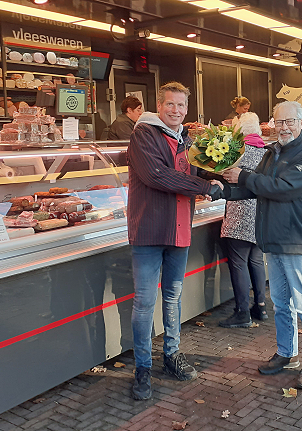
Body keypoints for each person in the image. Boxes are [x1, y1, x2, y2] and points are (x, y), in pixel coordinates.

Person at [127, 82, 223, 400]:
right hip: (149, 231)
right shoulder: (144, 134)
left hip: (181, 230)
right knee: (144, 304)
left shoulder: (187, 139)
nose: (176, 111)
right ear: (159, 105)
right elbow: (157, 175)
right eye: (171, 104)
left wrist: (221, 170)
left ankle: (171, 354)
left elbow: (200, 168)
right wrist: (202, 185)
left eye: (181, 106)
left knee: (173, 298)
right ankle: (142, 368)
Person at [221, 101, 302, 390]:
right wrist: (223, 188)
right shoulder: (272, 152)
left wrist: (242, 176)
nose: (284, 127)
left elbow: (283, 189)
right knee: (281, 303)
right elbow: (258, 187)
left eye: (290, 121)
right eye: (279, 122)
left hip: (295, 241)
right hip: (272, 240)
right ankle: (287, 353)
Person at [219, 112, 268, 328]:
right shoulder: (266, 152)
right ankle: (261, 306)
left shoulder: (238, 152)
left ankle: (242, 312)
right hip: (260, 214)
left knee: (238, 263)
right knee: (256, 260)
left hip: (240, 214)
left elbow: (221, 174)